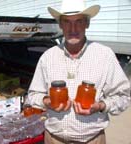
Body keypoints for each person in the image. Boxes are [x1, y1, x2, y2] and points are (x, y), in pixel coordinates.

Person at [27, 0, 131, 143]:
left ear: (87, 23)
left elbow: (123, 97)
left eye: (79, 21)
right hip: (54, 139)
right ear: (60, 25)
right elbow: (33, 95)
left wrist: (100, 106)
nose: (73, 28)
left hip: (92, 140)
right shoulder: (48, 57)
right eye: (67, 22)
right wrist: (47, 102)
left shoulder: (104, 55)